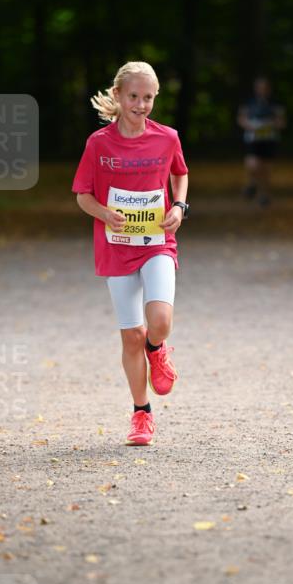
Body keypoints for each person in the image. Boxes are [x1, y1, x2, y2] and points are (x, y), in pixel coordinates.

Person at [72, 61, 189, 446]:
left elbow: (180, 173)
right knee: (130, 337)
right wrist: (105, 213)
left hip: (156, 241)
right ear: (119, 95)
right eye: (134, 96)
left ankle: (158, 348)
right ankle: (142, 414)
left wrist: (178, 206)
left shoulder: (167, 137)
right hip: (116, 247)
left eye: (149, 98)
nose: (141, 105)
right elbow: (83, 195)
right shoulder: (98, 143)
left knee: (159, 321)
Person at [237, 77, 286, 208]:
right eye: (260, 87)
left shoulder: (275, 103)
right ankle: (252, 183)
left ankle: (264, 194)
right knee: (253, 164)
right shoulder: (249, 102)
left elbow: (281, 121)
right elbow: (241, 119)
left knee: (266, 168)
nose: (262, 90)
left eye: (265, 87)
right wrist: (250, 126)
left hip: (269, 139)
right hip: (253, 139)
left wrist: (272, 125)